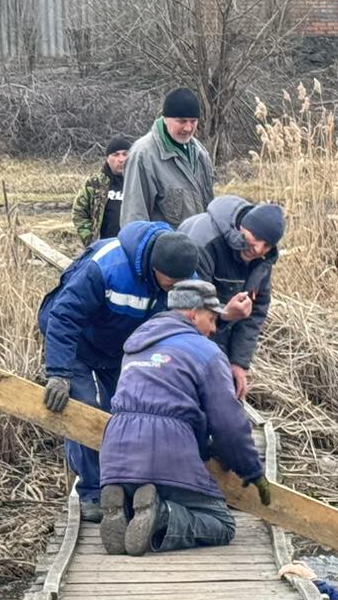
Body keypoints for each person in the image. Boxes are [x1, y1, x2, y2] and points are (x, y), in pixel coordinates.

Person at [38, 221, 208, 523]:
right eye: (169, 283)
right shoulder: (108, 266)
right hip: (77, 341)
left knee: (131, 411)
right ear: (153, 267)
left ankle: (126, 486)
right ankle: (92, 492)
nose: (173, 289)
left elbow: (185, 334)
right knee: (85, 407)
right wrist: (59, 372)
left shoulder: (185, 282)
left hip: (122, 347)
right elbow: (63, 316)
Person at [97, 280, 271, 556]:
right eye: (212, 318)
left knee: (146, 490)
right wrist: (252, 471)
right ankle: (162, 516)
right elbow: (228, 424)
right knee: (221, 523)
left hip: (114, 453)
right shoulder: (207, 353)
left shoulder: (137, 343)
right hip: (166, 452)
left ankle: (125, 504)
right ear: (193, 313)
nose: (214, 329)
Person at [179, 195, 283, 400]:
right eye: (256, 238)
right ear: (241, 227)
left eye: (267, 245)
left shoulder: (261, 259)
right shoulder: (204, 241)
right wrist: (225, 314)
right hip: (182, 331)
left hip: (217, 328)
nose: (259, 249)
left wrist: (238, 362)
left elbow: (258, 309)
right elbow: (187, 308)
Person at [121, 87, 215, 228]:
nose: (188, 128)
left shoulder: (200, 153)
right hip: (164, 249)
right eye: (182, 121)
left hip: (198, 248)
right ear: (165, 119)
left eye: (193, 121)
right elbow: (134, 222)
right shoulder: (143, 156)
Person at [71, 136, 132, 246]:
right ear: (107, 158)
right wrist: (91, 241)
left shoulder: (140, 181)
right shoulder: (95, 183)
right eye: (116, 154)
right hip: (104, 247)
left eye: (125, 154)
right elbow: (79, 212)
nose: (121, 159)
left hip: (133, 247)